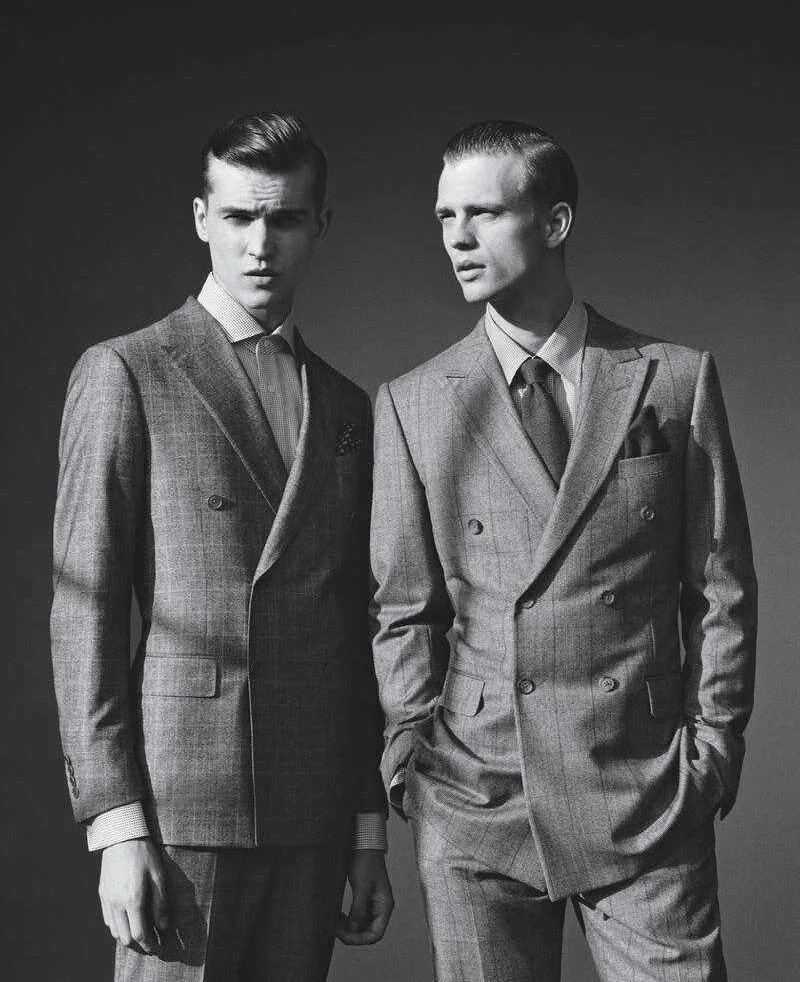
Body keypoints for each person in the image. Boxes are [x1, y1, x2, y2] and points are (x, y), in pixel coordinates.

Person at [370, 120, 756, 981]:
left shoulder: (672, 377)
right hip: (475, 797)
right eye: (444, 216)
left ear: (555, 222)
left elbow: (720, 585)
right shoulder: (412, 403)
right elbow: (403, 607)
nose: (457, 238)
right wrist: (410, 758)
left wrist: (714, 750)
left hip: (644, 787)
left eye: (482, 213)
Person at [51, 112, 393, 981]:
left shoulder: (347, 407)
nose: (260, 244)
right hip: (181, 805)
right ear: (202, 217)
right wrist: (116, 825)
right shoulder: (128, 371)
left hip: (314, 805)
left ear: (320, 225)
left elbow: (355, 630)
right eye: (239, 216)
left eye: (284, 219)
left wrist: (366, 828)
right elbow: (85, 614)